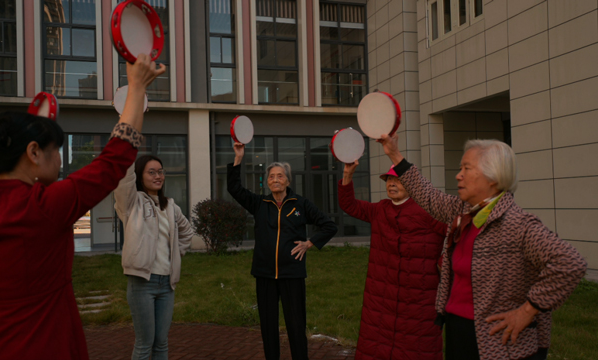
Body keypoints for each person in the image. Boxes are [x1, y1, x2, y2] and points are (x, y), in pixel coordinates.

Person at [0, 54, 165, 359]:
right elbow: (114, 159)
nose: (59, 159)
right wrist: (135, 87)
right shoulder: (46, 206)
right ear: (34, 152)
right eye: (56, 150)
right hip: (48, 346)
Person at [377, 134, 587, 360]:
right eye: (460, 168)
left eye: (467, 168)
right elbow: (427, 196)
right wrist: (394, 154)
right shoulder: (464, 211)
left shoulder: (517, 224)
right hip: (459, 331)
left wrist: (528, 311)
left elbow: (570, 264)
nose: (458, 175)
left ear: (493, 177)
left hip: (500, 344)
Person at [227, 142, 338, 360]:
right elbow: (234, 188)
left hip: (292, 274)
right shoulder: (259, 203)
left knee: (296, 325)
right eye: (271, 177)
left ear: (288, 180)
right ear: (267, 181)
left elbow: (329, 226)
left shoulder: (301, 204)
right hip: (264, 274)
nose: (275, 180)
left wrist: (309, 243)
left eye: (280, 176)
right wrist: (238, 157)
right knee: (268, 327)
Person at [338, 161, 447, 359]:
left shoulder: (429, 210)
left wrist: (444, 264)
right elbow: (349, 205)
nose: (391, 183)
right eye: (388, 179)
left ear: (412, 184)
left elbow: (457, 235)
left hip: (418, 300)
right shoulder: (380, 209)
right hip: (380, 298)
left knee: (416, 348)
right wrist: (347, 175)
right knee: (376, 348)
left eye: (397, 179)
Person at [114, 154, 193, 360]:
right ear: (140, 176)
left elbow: (187, 233)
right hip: (142, 284)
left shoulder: (171, 207)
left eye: (160, 171)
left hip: (167, 284)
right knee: (144, 344)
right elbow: (124, 178)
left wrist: (176, 255)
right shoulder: (132, 203)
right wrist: (128, 143)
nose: (158, 176)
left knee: (161, 343)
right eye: (151, 172)